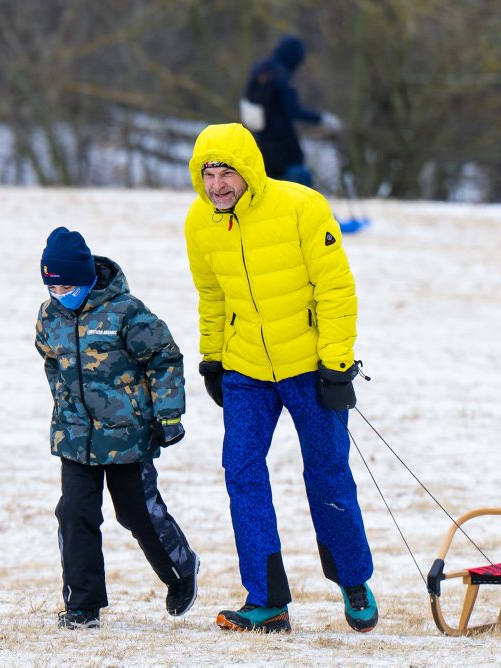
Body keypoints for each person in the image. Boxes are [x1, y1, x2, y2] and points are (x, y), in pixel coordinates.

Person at [183, 123, 378, 634]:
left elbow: (335, 287)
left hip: (309, 368)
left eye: (227, 172)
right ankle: (267, 600)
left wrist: (337, 363)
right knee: (241, 472)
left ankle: (353, 581)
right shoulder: (199, 223)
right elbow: (213, 296)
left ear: (249, 170)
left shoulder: (302, 207)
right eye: (208, 174)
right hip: (246, 369)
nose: (218, 184)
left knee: (327, 473)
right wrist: (213, 358)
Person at [34, 226, 199, 630]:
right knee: (74, 513)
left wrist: (168, 414)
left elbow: (164, 357)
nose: (61, 293)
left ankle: (181, 570)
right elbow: (51, 359)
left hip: (128, 435)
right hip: (75, 436)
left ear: (88, 276)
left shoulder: (125, 311)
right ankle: (82, 607)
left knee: (136, 513)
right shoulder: (49, 316)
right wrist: (65, 403)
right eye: (53, 287)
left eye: (68, 285)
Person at [242, 34, 342, 189]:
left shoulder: (260, 68)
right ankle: (303, 210)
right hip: (283, 139)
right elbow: (294, 110)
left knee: (268, 181)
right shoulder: (282, 76)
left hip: (260, 137)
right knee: (297, 175)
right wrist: (321, 118)